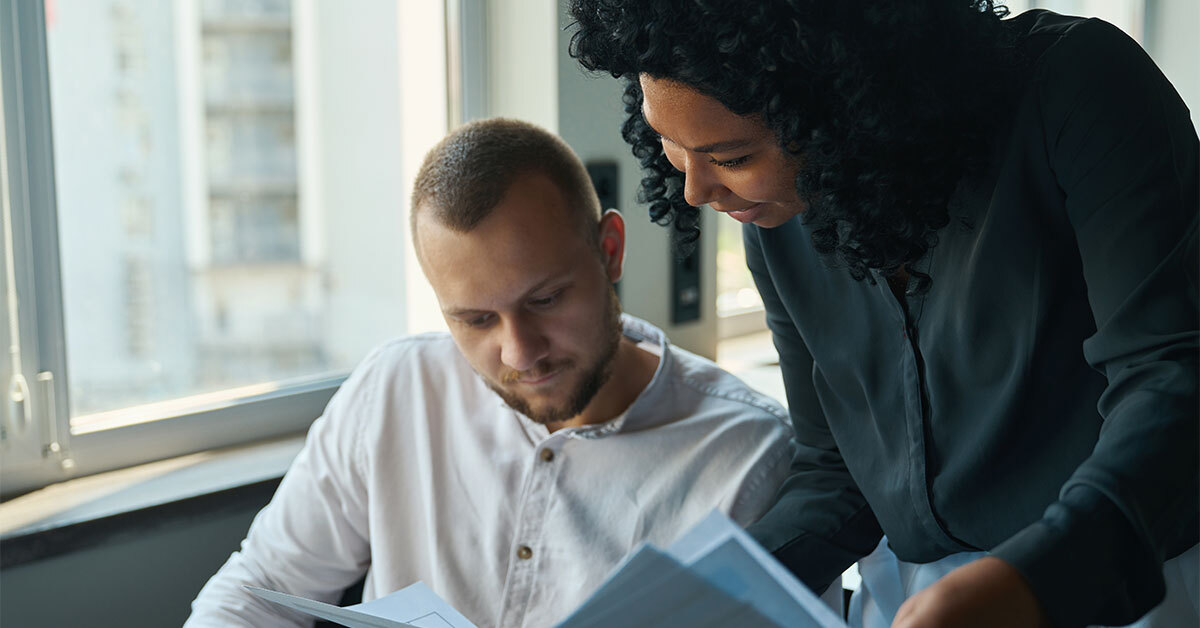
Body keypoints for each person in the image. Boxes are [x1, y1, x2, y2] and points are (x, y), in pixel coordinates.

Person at [568, 2, 1198, 627]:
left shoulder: (1081, 86)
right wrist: (700, 596)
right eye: (671, 144)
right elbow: (837, 469)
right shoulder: (774, 210)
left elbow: (1173, 381)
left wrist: (1033, 583)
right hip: (907, 598)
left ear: (845, 106)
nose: (696, 192)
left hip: (1117, 576)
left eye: (732, 158)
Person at [184, 118, 806, 627]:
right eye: (477, 320)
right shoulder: (396, 389)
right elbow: (258, 588)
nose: (519, 353)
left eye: (544, 300)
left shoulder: (749, 456)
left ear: (609, 251)